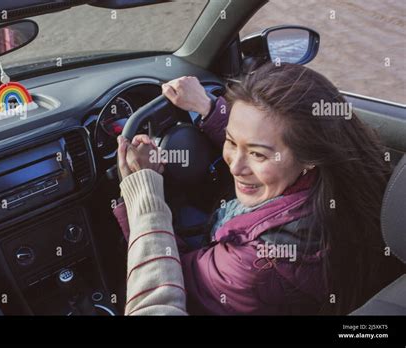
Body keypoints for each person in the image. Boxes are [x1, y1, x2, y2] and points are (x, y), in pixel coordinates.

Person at [113, 62, 402, 315]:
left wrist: (144, 192)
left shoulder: (261, 266)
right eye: (230, 141)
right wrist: (208, 107)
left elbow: (170, 278)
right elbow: (267, 134)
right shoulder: (346, 178)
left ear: (310, 157)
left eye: (257, 156)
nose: (235, 167)